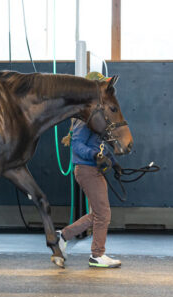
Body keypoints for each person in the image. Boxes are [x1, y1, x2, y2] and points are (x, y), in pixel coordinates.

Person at [56, 72, 122, 268]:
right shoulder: (84, 118)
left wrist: (113, 162)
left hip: (92, 170)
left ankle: (63, 235)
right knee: (103, 214)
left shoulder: (94, 115)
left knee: (99, 214)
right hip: (87, 170)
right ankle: (97, 255)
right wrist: (94, 156)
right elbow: (77, 145)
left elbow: (98, 145)